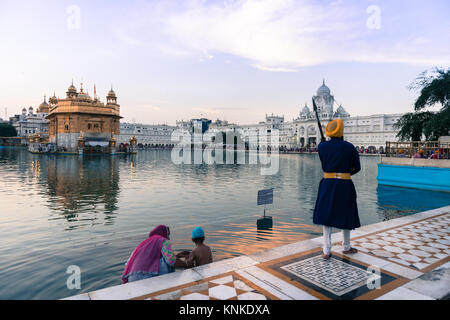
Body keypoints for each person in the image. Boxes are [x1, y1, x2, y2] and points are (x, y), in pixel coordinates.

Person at [313, 119, 361, 260]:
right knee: (345, 214)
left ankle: (326, 250)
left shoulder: (322, 146)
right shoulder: (349, 147)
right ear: (341, 131)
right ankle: (346, 247)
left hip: (327, 183)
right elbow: (357, 167)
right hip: (345, 184)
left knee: (326, 217)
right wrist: (345, 173)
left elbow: (325, 163)